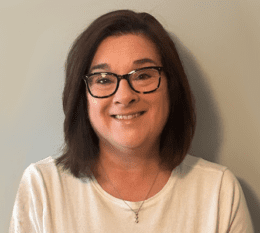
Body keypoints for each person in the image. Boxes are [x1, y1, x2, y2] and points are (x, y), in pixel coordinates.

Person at [9, 10, 254, 232]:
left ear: (172, 88)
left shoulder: (219, 192)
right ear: (82, 97)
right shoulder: (43, 188)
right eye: (103, 79)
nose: (124, 96)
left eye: (144, 75)